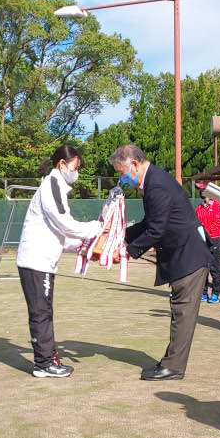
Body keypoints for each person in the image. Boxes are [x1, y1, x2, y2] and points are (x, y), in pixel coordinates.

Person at [113, 144, 208, 381]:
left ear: (134, 164)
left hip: (188, 258)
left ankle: (173, 367)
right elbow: (149, 223)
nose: (122, 178)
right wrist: (121, 235)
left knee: (182, 313)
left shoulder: (156, 185)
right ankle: (170, 361)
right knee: (179, 312)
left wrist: (126, 250)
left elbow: (156, 229)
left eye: (122, 172)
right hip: (183, 256)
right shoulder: (153, 181)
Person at [15, 146, 104, 378]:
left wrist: (84, 248)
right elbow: (63, 222)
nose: (77, 171)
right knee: (41, 313)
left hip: (40, 261)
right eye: (75, 166)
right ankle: (44, 364)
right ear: (62, 165)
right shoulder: (52, 184)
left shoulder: (57, 188)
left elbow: (58, 234)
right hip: (36, 262)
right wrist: (95, 228)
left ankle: (45, 360)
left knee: (43, 311)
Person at [193, 183, 220, 304]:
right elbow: (196, 223)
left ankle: (215, 293)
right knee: (203, 268)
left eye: (203, 190)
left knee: (214, 268)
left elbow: (217, 223)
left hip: (214, 240)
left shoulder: (218, 206)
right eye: (200, 190)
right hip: (202, 242)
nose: (201, 192)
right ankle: (204, 293)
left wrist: (207, 234)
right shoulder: (199, 208)